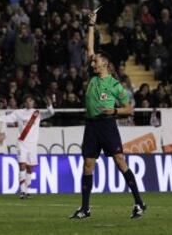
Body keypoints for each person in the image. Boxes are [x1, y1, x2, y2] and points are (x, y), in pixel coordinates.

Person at [69, 11, 146, 220]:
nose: (93, 63)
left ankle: (139, 203)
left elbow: (129, 108)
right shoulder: (92, 76)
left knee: (120, 161)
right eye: (93, 61)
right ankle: (85, 208)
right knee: (87, 164)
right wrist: (91, 25)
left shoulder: (115, 85)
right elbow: (89, 48)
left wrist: (114, 111)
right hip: (91, 125)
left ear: (105, 64)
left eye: (96, 61)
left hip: (107, 125)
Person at [0, 95, 54, 199]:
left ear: (33, 102)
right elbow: (5, 118)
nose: (29, 102)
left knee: (30, 168)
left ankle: (27, 190)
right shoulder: (19, 113)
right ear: (25, 103)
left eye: (31, 100)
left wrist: (49, 104)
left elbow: (51, 113)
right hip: (22, 143)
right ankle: (22, 191)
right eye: (27, 101)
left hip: (32, 145)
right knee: (22, 165)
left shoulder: (37, 113)